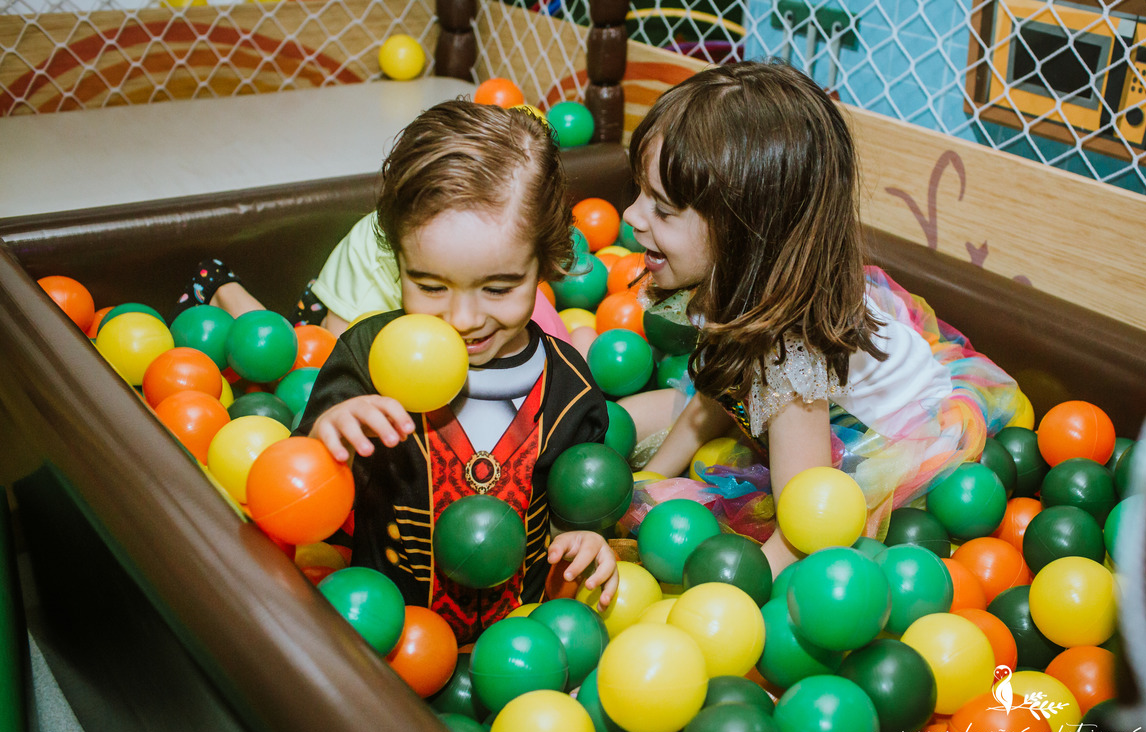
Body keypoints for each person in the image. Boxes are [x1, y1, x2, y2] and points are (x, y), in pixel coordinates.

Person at [616, 60, 1020, 576]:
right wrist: (649, 478)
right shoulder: (733, 282)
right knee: (622, 418)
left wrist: (734, 595)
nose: (630, 215)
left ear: (745, 232)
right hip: (788, 410)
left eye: (662, 209)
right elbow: (719, 391)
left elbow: (803, 525)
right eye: (640, 192)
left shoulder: (790, 355)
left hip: (881, 435)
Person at [293, 100, 618, 644]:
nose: (464, 319)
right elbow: (301, 487)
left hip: (519, 645)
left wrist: (585, 540)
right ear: (397, 263)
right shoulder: (367, 355)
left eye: (498, 287)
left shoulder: (568, 385)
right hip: (379, 633)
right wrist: (330, 434)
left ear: (546, 263)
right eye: (430, 285)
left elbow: (578, 502)